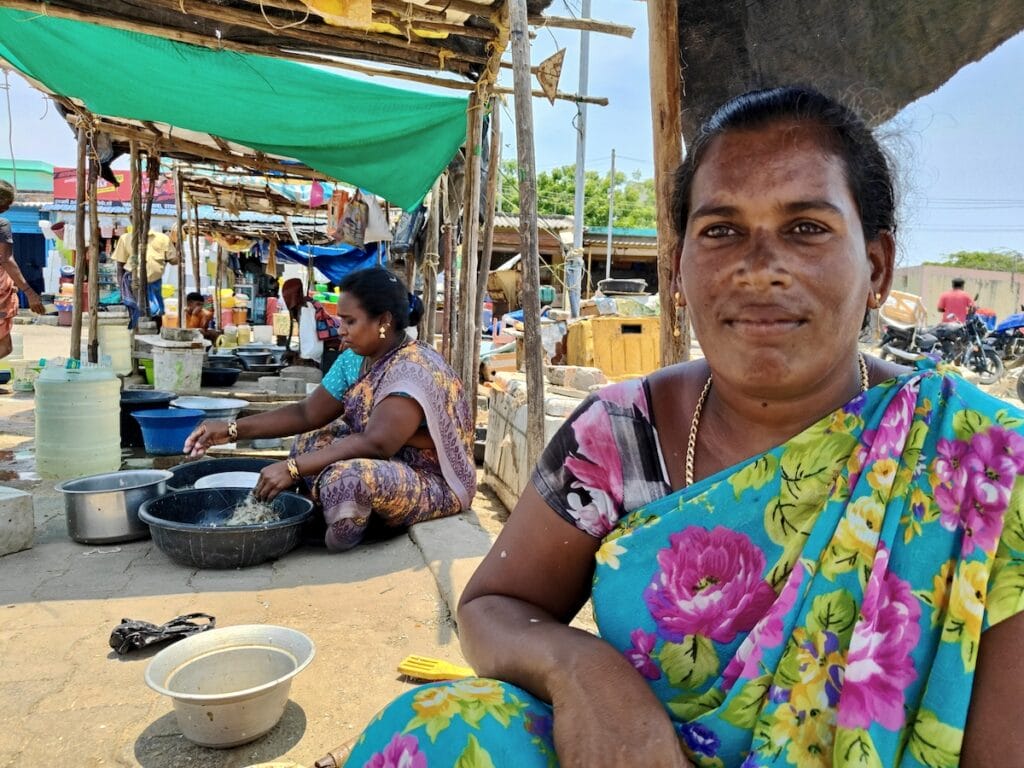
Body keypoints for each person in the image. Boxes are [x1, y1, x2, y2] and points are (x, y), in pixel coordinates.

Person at [341, 87, 1024, 767]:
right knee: (443, 729)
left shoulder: (981, 460)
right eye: (721, 230)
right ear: (679, 269)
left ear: (876, 266)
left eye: (806, 228)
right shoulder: (619, 435)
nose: (759, 267)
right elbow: (495, 604)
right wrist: (583, 671)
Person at [184, 266, 477, 552]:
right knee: (311, 439)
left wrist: (292, 468)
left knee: (347, 479)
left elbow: (376, 443)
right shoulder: (356, 359)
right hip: (388, 460)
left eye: (350, 321)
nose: (341, 329)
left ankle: (345, 535)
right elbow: (307, 414)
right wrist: (231, 429)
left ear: (384, 321)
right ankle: (333, 512)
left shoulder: (413, 369)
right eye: (341, 320)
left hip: (431, 479)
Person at [0, 181, 45, 359]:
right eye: (7, 203)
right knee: (5, 347)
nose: (8, 207)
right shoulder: (2, 224)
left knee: (6, 345)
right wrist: (30, 292)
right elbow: (5, 259)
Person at [112, 225, 178, 323]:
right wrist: (122, 290)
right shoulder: (126, 238)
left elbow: (173, 260)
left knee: (156, 311)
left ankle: (154, 333)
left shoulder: (162, 238)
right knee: (137, 311)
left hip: (154, 281)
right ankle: (136, 332)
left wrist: (178, 246)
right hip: (133, 281)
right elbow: (120, 266)